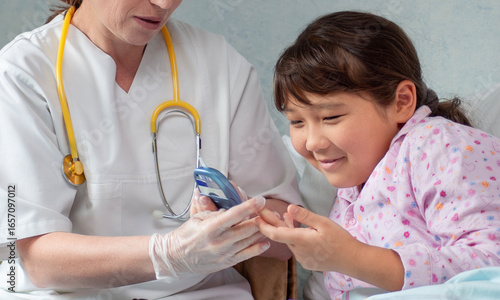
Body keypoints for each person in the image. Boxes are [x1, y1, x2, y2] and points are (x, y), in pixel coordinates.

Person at [0, 0, 301, 299]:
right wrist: (168, 254)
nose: (164, 3)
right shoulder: (22, 74)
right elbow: (39, 261)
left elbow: (289, 229)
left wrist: (242, 217)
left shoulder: (219, 64)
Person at [255, 11, 500, 300]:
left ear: (401, 102)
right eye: (297, 122)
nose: (312, 142)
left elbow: (489, 265)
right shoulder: (354, 186)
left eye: (331, 116)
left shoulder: (438, 145)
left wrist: (353, 258)